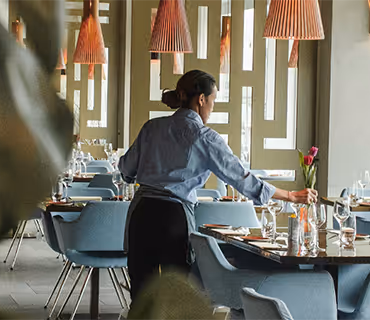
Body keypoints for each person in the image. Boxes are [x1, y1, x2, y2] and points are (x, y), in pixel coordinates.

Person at [119, 70, 317, 304]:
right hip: (173, 219)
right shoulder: (204, 136)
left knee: (141, 297)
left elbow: (125, 169)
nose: (212, 109)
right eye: (212, 101)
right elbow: (240, 178)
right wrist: (290, 196)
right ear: (201, 99)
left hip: (141, 213)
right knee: (178, 299)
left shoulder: (151, 127)